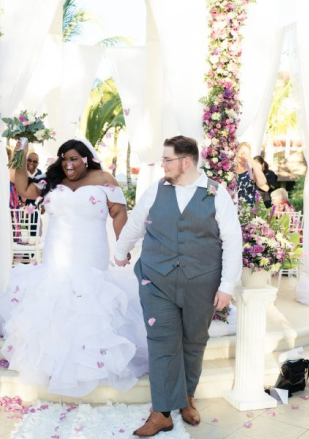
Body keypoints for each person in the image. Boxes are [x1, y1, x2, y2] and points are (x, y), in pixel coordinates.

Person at [0, 139, 149, 397]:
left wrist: (122, 247)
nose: (68, 164)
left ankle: (90, 365)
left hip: (92, 253)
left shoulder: (104, 178)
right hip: (57, 254)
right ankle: (54, 362)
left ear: (86, 158)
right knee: (58, 301)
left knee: (91, 302)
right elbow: (23, 189)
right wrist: (19, 155)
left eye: (73, 158)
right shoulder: (53, 181)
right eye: (64, 159)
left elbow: (118, 212)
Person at [115, 135, 242, 437]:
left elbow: (232, 240)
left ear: (186, 162)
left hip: (202, 282)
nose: (163, 164)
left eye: (167, 159)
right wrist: (120, 253)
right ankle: (161, 412)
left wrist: (227, 286)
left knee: (194, 341)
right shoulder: (155, 190)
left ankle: (186, 397)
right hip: (156, 279)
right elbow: (135, 224)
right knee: (162, 340)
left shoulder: (216, 193)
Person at [236, 142, 269, 206]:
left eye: (246, 153)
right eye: (242, 152)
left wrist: (251, 159)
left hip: (249, 210)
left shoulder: (251, 170)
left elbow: (262, 182)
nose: (243, 156)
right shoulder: (230, 171)